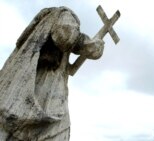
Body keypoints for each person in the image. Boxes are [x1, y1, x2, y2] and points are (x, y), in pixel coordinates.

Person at [0, 6, 104, 141]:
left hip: (33, 84)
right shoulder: (64, 14)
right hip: (42, 86)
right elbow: (65, 35)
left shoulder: (45, 19)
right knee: (56, 128)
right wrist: (91, 45)